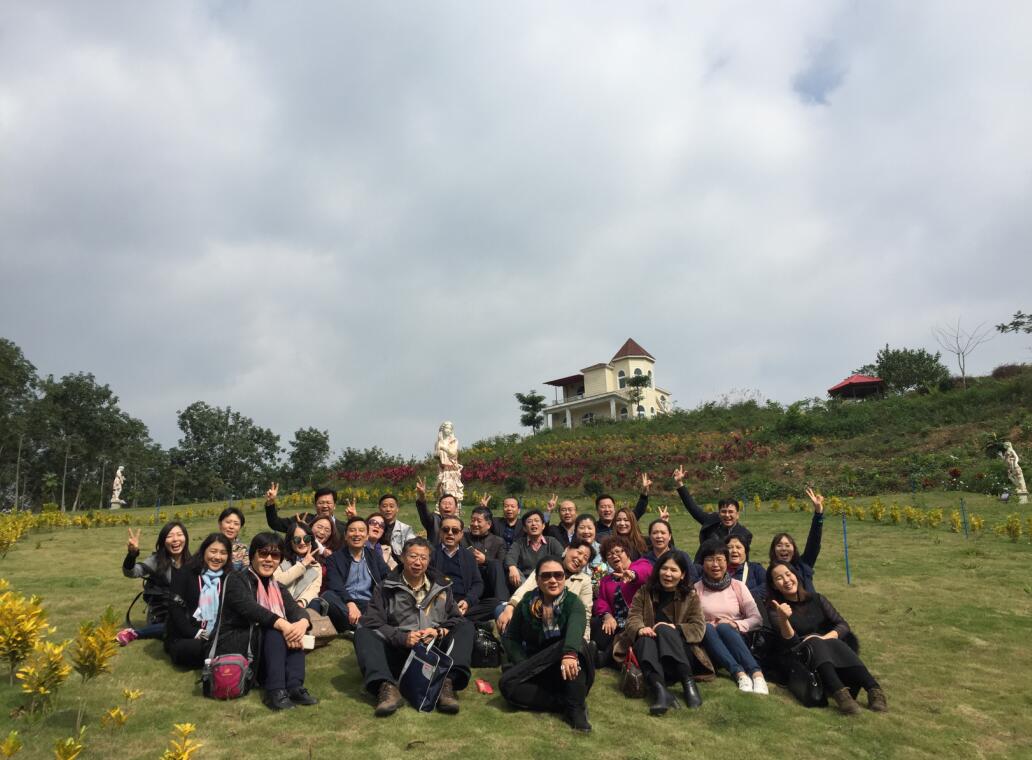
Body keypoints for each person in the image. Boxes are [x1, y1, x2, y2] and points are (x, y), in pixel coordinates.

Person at [355, 537, 474, 716]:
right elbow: (372, 621)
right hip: (399, 651)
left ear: (429, 560)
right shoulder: (385, 587)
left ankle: (445, 685)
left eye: (423, 558)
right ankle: (386, 688)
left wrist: (438, 632)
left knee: (467, 627)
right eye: (413, 556)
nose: (418, 562)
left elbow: (456, 619)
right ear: (403, 557)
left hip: (433, 651)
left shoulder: (442, 586)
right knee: (363, 632)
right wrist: (402, 638)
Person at [767, 561, 886, 715]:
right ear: (774, 586)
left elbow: (842, 625)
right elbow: (792, 641)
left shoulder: (816, 599)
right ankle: (841, 696)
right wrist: (784, 619)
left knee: (833, 641)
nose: (786, 580)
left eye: (788, 574)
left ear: (795, 575)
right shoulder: (775, 609)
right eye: (779, 578)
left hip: (828, 649)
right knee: (816, 641)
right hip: (801, 657)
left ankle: (874, 690)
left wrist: (825, 638)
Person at [217, 533, 316, 710]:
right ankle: (275, 691)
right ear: (252, 556)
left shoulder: (277, 586)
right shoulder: (236, 579)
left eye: (275, 555)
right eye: (263, 553)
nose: (269, 559)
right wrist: (284, 625)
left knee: (293, 629)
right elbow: (251, 609)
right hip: (241, 649)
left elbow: (295, 609)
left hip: (267, 653)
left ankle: (294, 687)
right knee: (276, 629)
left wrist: (302, 623)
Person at [500, 557, 594, 732]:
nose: (553, 580)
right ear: (537, 580)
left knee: (578, 646)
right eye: (546, 576)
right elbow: (511, 637)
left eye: (558, 575)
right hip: (536, 665)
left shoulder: (573, 602)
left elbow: (576, 628)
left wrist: (569, 653)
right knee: (507, 684)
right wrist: (522, 663)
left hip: (568, 666)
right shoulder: (526, 602)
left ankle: (576, 709)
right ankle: (564, 703)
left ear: (564, 578)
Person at [613, 552, 712, 714]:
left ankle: (688, 684)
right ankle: (660, 691)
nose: (668, 574)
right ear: (658, 570)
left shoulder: (690, 596)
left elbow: (698, 628)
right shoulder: (645, 591)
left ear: (682, 575)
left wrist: (674, 628)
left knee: (663, 629)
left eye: (673, 570)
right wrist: (640, 629)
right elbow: (633, 618)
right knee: (644, 639)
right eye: (664, 569)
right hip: (649, 658)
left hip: (679, 660)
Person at [694, 540, 767, 695]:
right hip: (710, 639)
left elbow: (757, 619)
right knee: (707, 627)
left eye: (719, 559)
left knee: (724, 627)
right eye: (710, 560)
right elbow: (693, 620)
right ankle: (739, 674)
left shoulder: (738, 586)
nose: (715, 564)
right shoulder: (696, 589)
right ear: (703, 564)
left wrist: (735, 624)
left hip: (737, 636)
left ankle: (756, 674)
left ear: (726, 562)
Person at [497, 540, 595, 640]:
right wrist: (510, 607)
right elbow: (526, 588)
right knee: (501, 610)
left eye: (585, 558)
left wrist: (584, 640)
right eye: (579, 552)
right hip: (534, 614)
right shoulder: (546, 566)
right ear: (567, 549)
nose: (580, 558)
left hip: (562, 626)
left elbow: (585, 613)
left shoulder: (584, 581)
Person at [118, 522, 191, 646]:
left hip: (183, 611)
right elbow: (131, 572)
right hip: (161, 614)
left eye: (179, 535)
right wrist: (132, 555)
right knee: (177, 627)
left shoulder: (191, 562)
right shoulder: (156, 560)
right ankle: (135, 633)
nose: (175, 539)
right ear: (163, 541)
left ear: (185, 538)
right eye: (170, 536)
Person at [165, 533, 232, 668]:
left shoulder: (228, 577)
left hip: (216, 635)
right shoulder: (186, 573)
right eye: (213, 551)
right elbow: (175, 609)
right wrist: (195, 632)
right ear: (204, 551)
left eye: (223, 553)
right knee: (198, 647)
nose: (217, 557)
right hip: (186, 636)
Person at [591, 536, 653, 666]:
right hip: (616, 622)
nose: (614, 556)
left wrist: (632, 574)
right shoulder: (606, 580)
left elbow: (645, 572)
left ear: (627, 552)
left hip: (636, 620)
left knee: (621, 636)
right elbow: (601, 601)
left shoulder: (641, 564)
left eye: (618, 551)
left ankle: (603, 658)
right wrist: (607, 616)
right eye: (609, 554)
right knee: (597, 624)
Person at [322, 516, 390, 632]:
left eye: (361, 530)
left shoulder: (374, 556)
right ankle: (366, 626)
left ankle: (358, 626)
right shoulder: (334, 558)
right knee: (327, 596)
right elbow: (335, 584)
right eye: (352, 530)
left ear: (367, 536)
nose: (357, 534)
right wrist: (350, 603)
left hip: (369, 604)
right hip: (344, 603)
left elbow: (388, 578)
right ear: (345, 536)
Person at [672, 466, 753, 561]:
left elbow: (744, 560)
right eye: (723, 511)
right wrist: (679, 483)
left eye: (731, 512)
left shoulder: (744, 534)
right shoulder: (712, 522)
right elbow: (693, 508)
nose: (727, 515)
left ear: (737, 514)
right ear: (719, 513)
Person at [431, 515, 497, 623]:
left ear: (461, 534)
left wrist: (467, 601)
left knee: (495, 604)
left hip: (464, 603)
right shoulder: (431, 554)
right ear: (440, 532)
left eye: (455, 531)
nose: (450, 533)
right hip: (440, 602)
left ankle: (455, 619)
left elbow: (478, 583)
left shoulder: (468, 555)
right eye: (446, 530)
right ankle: (461, 621)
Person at [768, 487, 825, 595]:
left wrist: (818, 514)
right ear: (773, 550)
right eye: (779, 545)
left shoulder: (804, 564)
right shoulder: (770, 573)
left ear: (794, 549)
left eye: (787, 545)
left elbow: (814, 541)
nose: (783, 548)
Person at [504, 509, 564, 589]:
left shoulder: (552, 542)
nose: (533, 524)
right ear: (525, 528)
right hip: (525, 582)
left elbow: (562, 558)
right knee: (514, 570)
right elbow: (510, 557)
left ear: (543, 526)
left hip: (547, 579)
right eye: (529, 522)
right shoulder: (519, 543)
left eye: (537, 521)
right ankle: (530, 593)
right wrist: (512, 567)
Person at [274, 521, 323, 607]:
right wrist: (303, 564)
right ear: (290, 542)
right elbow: (277, 582)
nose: (302, 543)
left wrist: (301, 602)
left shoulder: (316, 566)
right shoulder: (281, 559)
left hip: (302, 607)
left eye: (306, 538)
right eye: (297, 539)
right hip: (278, 604)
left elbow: (314, 590)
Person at [265, 482, 341, 533]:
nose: (325, 506)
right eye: (321, 503)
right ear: (315, 505)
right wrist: (271, 502)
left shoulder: (343, 528)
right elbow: (275, 524)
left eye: (328, 503)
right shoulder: (303, 519)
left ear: (334, 505)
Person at [594, 472, 652, 537]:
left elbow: (639, 509)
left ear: (614, 508)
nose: (607, 510)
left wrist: (644, 493)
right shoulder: (593, 529)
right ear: (597, 509)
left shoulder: (622, 523)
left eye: (609, 506)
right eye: (603, 507)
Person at [415, 477, 460, 544]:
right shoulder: (434, 521)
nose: (447, 506)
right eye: (444, 503)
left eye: (450, 504)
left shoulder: (459, 525)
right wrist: (422, 496)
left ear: (456, 508)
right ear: (439, 507)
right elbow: (424, 512)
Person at [573, 514, 610, 592]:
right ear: (575, 531)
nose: (586, 531)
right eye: (582, 528)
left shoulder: (604, 550)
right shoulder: (570, 551)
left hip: (601, 594)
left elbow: (612, 573)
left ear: (595, 530)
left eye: (590, 528)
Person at [725, 535, 767, 603]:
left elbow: (767, 586)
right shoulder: (719, 570)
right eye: (730, 547)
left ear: (745, 551)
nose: (734, 550)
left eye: (738, 547)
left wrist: (744, 595)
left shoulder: (755, 568)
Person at [377, 493, 416, 564]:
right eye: (384, 506)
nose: (388, 509)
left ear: (397, 509)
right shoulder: (374, 527)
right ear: (379, 508)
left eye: (391, 506)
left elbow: (413, 550)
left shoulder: (406, 529)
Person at [218, 506, 248, 571]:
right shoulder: (210, 545)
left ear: (240, 527)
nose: (231, 527)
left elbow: (246, 572)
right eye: (228, 522)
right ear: (220, 524)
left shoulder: (243, 550)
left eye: (236, 524)